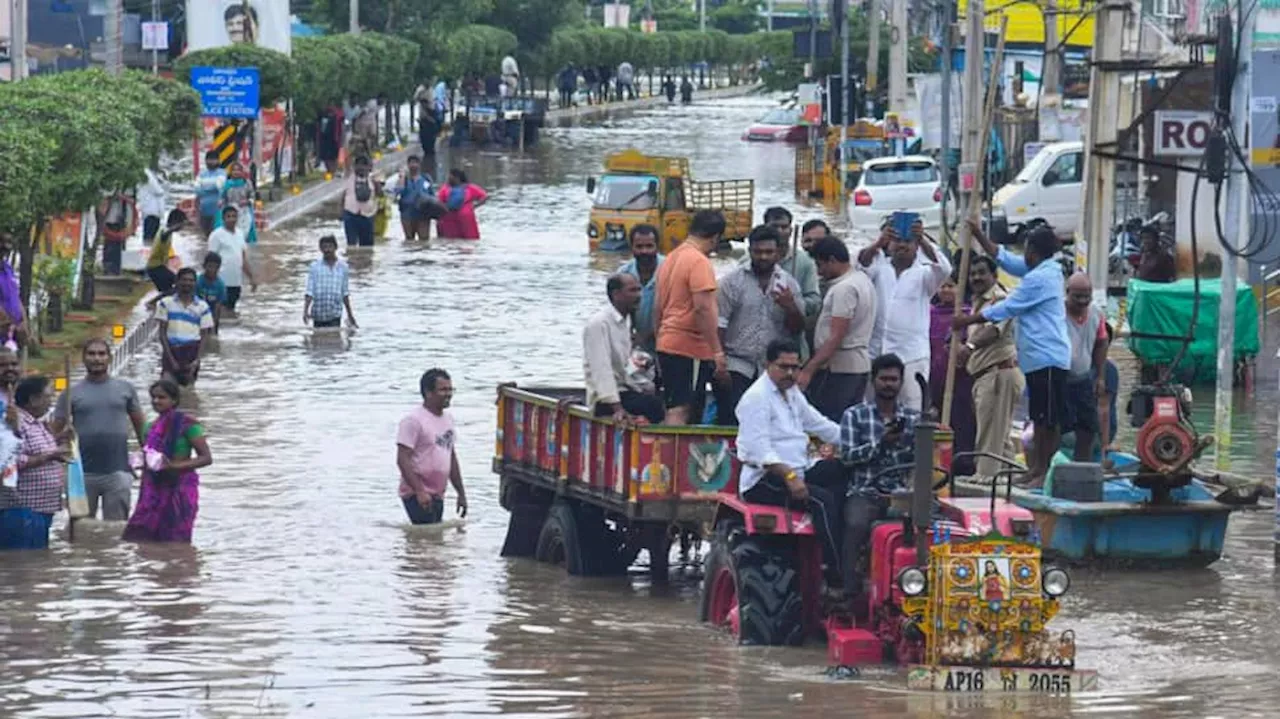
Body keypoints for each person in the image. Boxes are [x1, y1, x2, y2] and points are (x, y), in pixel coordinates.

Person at [953, 220, 1071, 487]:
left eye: (1026, 249)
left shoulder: (1041, 278)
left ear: (1034, 251)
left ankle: (1042, 472)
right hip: (1036, 360)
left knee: (1047, 422)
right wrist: (980, 235)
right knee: (1039, 417)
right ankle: (1034, 470)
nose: (1023, 255)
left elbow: (1007, 308)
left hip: (1048, 356)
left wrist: (966, 322)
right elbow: (1005, 260)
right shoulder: (1037, 268)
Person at [735, 339, 847, 590]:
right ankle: (834, 574)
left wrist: (860, 437)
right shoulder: (756, 398)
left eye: (795, 367)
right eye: (783, 367)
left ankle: (850, 554)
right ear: (767, 365)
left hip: (800, 471)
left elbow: (820, 425)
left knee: (845, 474)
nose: (790, 373)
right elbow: (758, 450)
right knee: (821, 501)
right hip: (765, 480)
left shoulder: (792, 393)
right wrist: (790, 477)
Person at [840, 353, 921, 598]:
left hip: (901, 492)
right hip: (865, 491)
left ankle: (918, 585)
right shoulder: (854, 415)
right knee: (856, 525)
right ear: (873, 381)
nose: (889, 384)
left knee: (933, 526)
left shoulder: (913, 418)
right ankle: (850, 592)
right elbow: (847, 457)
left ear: (901, 382)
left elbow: (919, 460)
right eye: (884, 379)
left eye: (894, 379)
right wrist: (880, 444)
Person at [857, 214, 953, 411]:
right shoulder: (879, 268)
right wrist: (879, 242)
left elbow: (945, 268)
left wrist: (923, 238)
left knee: (912, 410)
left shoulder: (925, 275)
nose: (902, 245)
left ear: (916, 246)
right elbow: (861, 264)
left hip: (911, 355)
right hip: (876, 352)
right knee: (872, 408)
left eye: (908, 241)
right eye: (897, 240)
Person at [714, 225, 805, 425]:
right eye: (758, 252)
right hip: (737, 364)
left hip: (773, 369)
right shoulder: (732, 282)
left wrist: (790, 306)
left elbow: (797, 330)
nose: (763, 257)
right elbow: (719, 326)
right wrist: (720, 365)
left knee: (771, 423)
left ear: (779, 253)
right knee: (732, 421)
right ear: (749, 251)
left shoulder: (789, 284)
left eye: (768, 252)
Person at [52, 338, 147, 521]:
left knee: (116, 529)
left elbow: (140, 426)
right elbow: (52, 435)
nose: (97, 358)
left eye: (101, 354)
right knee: (81, 529)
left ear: (109, 359)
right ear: (84, 358)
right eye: (92, 354)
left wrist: (148, 456)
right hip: (81, 474)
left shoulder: (125, 389)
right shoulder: (71, 393)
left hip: (118, 471)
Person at [654, 210, 727, 425]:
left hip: (667, 342)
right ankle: (673, 457)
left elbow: (658, 307)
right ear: (715, 237)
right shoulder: (699, 262)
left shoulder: (670, 258)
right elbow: (703, 309)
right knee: (683, 408)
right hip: (689, 347)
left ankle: (670, 455)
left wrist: (660, 337)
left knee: (675, 405)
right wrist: (717, 351)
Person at [958, 254, 1024, 482]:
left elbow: (994, 330)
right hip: (983, 375)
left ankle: (985, 479)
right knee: (999, 435)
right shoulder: (975, 303)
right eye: (972, 274)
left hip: (998, 373)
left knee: (990, 433)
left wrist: (969, 346)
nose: (976, 278)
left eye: (981, 273)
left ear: (994, 276)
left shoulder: (1000, 299)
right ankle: (1014, 477)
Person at [122, 380, 212, 543]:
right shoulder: (149, 427)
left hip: (180, 486)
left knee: (176, 537)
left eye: (161, 397)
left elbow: (206, 458)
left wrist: (173, 465)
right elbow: (150, 454)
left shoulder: (188, 424)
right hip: (153, 487)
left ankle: (178, 566)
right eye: (153, 397)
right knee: (142, 536)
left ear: (174, 400)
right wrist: (139, 462)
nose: (156, 401)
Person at [801, 236, 877, 422]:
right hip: (857, 365)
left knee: (831, 423)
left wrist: (809, 369)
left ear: (833, 260)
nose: (819, 272)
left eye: (820, 265)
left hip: (840, 368)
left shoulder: (845, 288)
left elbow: (836, 336)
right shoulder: (862, 279)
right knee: (849, 422)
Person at [584, 274, 665, 425]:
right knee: (653, 406)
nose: (639, 296)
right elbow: (601, 370)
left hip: (626, 389)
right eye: (632, 291)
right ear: (616, 295)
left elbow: (625, 367)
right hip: (606, 399)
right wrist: (617, 408)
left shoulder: (626, 322)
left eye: (639, 290)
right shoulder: (599, 324)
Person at [0, 376, 69, 550]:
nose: (51, 401)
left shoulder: (37, 423)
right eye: (48, 396)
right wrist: (50, 455)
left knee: (36, 562)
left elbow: (37, 449)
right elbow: (10, 460)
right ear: (33, 399)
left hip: (41, 509)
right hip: (23, 509)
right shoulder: (15, 423)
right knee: (22, 564)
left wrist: (59, 440)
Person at [397, 369, 469, 525]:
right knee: (426, 540)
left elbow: (451, 457)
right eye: (443, 390)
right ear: (428, 392)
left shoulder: (448, 419)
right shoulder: (413, 420)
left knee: (433, 542)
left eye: (450, 389)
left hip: (437, 494)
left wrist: (461, 493)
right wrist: (419, 491)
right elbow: (402, 459)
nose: (449, 394)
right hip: (416, 494)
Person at [928, 276, 975, 474]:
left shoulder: (966, 315)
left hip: (960, 379)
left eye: (951, 286)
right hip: (936, 376)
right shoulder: (930, 313)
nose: (946, 290)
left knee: (962, 420)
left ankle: (962, 464)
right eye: (942, 286)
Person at [1061, 273, 1109, 461]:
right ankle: (1049, 468)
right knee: (1056, 427)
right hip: (1059, 378)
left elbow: (1102, 342)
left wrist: (1100, 377)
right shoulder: (1057, 313)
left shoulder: (1096, 313)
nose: (1082, 301)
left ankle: (1081, 464)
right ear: (1067, 293)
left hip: (1082, 378)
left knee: (1088, 427)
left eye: (1086, 296)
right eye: (1077, 296)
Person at [764, 207, 822, 351]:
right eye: (774, 227)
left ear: (791, 230)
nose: (779, 231)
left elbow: (815, 301)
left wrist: (793, 302)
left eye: (784, 227)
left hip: (791, 341)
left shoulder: (805, 262)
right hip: (760, 341)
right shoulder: (748, 262)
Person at [156, 268, 214, 387]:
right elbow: (162, 333)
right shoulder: (165, 304)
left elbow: (204, 336)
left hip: (191, 352)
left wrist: (197, 360)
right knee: (167, 387)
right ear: (177, 282)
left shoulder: (202, 307)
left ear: (195, 283)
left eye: (191, 280)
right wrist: (171, 359)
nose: (187, 283)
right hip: (171, 351)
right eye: (184, 280)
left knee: (188, 393)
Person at [617, 224, 665, 352]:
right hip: (636, 344)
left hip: (667, 341)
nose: (644, 251)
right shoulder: (623, 274)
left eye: (649, 246)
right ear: (631, 248)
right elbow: (618, 313)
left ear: (657, 247)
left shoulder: (669, 269)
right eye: (639, 246)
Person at [207, 206, 256, 316]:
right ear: (223, 218)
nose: (231, 219)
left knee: (231, 310)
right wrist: (210, 281)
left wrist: (251, 278)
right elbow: (210, 260)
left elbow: (243, 259)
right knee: (219, 310)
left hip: (235, 281)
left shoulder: (240, 234)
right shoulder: (216, 235)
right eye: (228, 216)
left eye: (234, 216)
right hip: (221, 281)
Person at [304, 235, 358, 329]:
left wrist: (350, 315)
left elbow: (344, 293)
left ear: (335, 247)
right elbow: (309, 291)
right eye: (324, 247)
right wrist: (305, 311)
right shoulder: (314, 267)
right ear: (320, 249)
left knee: (334, 339)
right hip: (318, 313)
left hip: (335, 313)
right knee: (317, 340)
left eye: (330, 247)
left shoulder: (343, 267)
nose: (327, 250)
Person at [389, 156, 434, 242]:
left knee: (424, 240)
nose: (413, 165)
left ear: (419, 165)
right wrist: (401, 178)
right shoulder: (403, 179)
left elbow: (432, 195)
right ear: (408, 165)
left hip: (423, 213)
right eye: (411, 163)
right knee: (409, 240)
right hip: (407, 213)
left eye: (415, 162)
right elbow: (398, 192)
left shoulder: (426, 179)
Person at [436, 169, 488, 240]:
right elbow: (484, 196)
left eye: (450, 176)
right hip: (466, 217)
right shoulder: (470, 188)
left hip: (449, 218)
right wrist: (474, 206)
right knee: (471, 240)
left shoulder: (445, 189)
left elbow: (439, 202)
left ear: (456, 177)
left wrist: (443, 211)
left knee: (450, 242)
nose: (448, 178)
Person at [145, 209, 186, 297]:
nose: (182, 227)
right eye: (181, 224)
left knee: (168, 290)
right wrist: (175, 227)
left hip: (159, 267)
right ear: (176, 222)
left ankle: (158, 304)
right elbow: (165, 234)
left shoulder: (164, 230)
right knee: (180, 283)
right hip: (155, 267)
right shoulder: (165, 232)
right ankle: (152, 303)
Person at [342, 155, 379, 248]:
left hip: (367, 215)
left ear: (369, 167)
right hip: (350, 214)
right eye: (358, 165)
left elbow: (380, 195)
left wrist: (377, 183)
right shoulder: (349, 176)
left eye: (364, 165)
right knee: (351, 245)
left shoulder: (373, 179)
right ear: (354, 166)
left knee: (367, 246)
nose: (361, 167)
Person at [217, 162, 257, 245]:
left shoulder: (247, 183)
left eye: (238, 170)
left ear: (242, 172)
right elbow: (223, 197)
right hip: (230, 213)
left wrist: (247, 201)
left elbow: (253, 197)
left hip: (244, 213)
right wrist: (221, 202)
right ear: (230, 172)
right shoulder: (227, 184)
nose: (236, 172)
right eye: (234, 170)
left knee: (244, 235)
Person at [99, 190, 136, 275]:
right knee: (109, 247)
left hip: (121, 223)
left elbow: (130, 199)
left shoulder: (127, 194)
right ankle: (108, 269)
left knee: (118, 249)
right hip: (109, 223)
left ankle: (115, 270)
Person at [0, 233, 27, 350]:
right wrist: (10, 323)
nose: (6, 248)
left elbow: (16, 297)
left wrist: (24, 323)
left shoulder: (7, 268)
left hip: (14, 333)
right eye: (2, 243)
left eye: (9, 243)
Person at [195, 151, 227, 236]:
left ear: (218, 161)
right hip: (204, 209)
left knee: (216, 234)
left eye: (214, 160)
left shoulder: (222, 172)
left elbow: (219, 186)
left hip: (217, 209)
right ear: (205, 161)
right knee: (206, 235)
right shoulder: (201, 174)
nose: (211, 162)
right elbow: (197, 189)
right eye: (209, 160)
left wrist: (204, 189)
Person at [195, 252, 228, 333]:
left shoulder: (220, 285)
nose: (212, 270)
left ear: (219, 268)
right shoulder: (197, 281)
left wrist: (214, 327)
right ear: (204, 266)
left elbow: (218, 308)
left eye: (215, 267)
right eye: (209, 266)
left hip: (211, 311)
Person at [138, 168, 166, 245]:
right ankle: (148, 253)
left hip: (151, 212)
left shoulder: (147, 174)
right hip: (151, 213)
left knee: (152, 238)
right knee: (150, 238)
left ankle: (148, 252)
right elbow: (158, 190)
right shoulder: (147, 173)